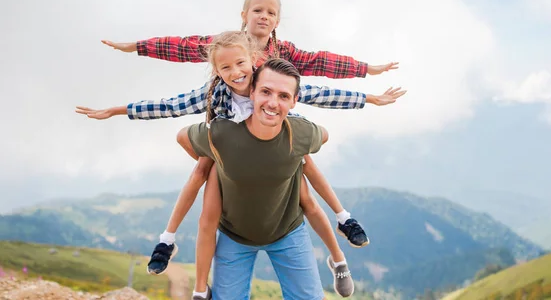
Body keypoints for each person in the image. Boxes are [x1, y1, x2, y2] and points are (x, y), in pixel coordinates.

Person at [77, 31, 406, 299]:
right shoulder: (215, 95)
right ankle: (168, 241)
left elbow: (319, 90)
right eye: (225, 68)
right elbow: (170, 104)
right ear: (216, 70)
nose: (235, 73)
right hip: (228, 148)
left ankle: (343, 222)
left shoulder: (270, 81)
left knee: (305, 176)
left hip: (280, 145)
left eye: (241, 64)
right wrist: (120, 108)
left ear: (253, 59)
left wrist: (369, 97)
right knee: (201, 184)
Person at [197, 57, 344, 300]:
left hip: (288, 231)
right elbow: (184, 137)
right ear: (251, 92)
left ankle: (339, 260)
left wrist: (296, 155)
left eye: (284, 96)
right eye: (266, 91)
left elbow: (323, 136)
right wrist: (222, 161)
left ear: (295, 101)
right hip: (235, 235)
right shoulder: (224, 133)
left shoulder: (301, 133)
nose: (273, 103)